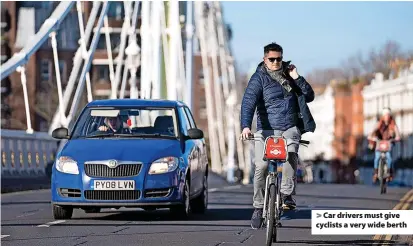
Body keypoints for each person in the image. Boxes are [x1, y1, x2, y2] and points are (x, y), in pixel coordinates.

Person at [240, 42, 315, 229]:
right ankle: (258, 207)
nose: (275, 62)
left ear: (282, 58)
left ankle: (286, 195)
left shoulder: (290, 75)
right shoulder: (258, 79)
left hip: (290, 126)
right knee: (261, 166)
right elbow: (248, 102)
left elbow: (309, 95)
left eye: (278, 59)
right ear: (264, 59)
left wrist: (297, 78)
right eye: (271, 59)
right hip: (266, 130)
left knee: (291, 154)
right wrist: (245, 127)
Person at [367, 108, 401, 182]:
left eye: (388, 115)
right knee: (377, 157)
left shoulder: (393, 124)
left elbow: (397, 133)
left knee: (389, 158)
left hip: (388, 143)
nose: (387, 116)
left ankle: (389, 172)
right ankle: (376, 173)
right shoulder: (379, 123)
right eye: (385, 115)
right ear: (383, 116)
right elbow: (373, 132)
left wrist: (396, 138)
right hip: (379, 142)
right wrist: (371, 137)